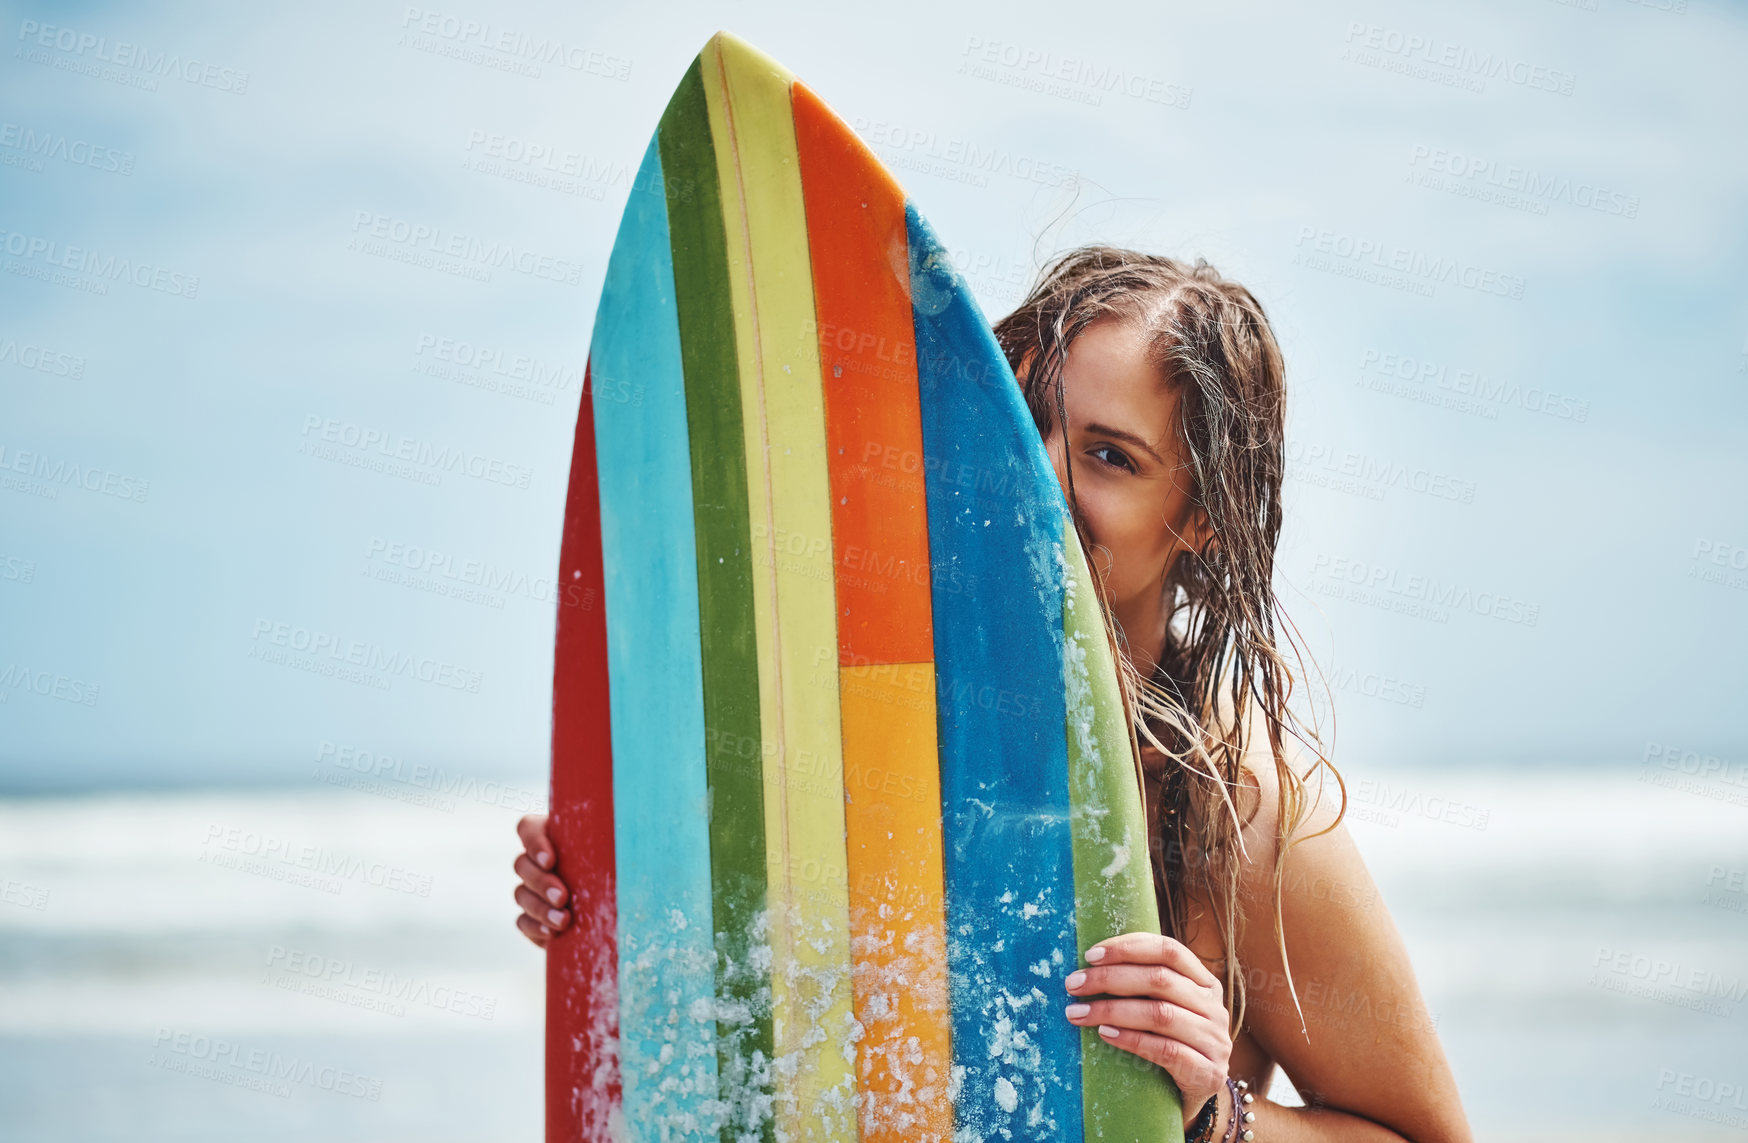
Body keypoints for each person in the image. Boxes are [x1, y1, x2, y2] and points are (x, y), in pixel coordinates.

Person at [513, 247, 1474, 1143]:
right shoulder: (863, 721)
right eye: (1022, 425)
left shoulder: (1245, 807)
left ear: (1204, 521)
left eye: (1110, 456)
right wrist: (612, 892)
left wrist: (1209, 1116)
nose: (1037, 481)